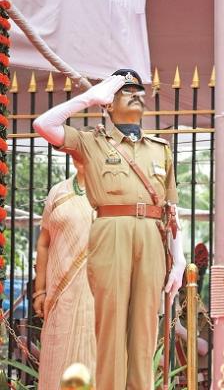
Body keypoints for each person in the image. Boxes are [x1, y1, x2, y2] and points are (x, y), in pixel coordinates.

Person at [33, 69, 185, 389]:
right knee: (112, 330)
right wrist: (88, 97)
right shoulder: (91, 141)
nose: (135, 94)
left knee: (145, 331)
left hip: (152, 234)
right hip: (111, 229)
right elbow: (43, 125)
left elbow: (171, 210)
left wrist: (179, 257)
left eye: (137, 90)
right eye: (123, 90)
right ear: (107, 104)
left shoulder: (160, 148)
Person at [32, 155, 95, 389]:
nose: (81, 157)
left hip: (97, 292)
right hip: (60, 294)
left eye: (86, 150)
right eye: (76, 150)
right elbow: (44, 242)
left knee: (95, 355)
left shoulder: (108, 193)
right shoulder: (58, 192)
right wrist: (40, 291)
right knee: (57, 355)